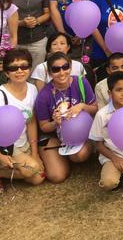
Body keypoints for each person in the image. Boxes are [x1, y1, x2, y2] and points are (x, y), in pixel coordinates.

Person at [0, 48, 45, 195]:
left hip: (25, 143)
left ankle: (6, 171)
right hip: (8, 146)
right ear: (6, 72)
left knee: (37, 179)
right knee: (33, 170)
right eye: (14, 68)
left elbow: (31, 121)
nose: (20, 71)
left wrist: (35, 153)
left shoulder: (33, 89)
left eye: (24, 66)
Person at [33, 51, 98, 183]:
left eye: (65, 67)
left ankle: (70, 154)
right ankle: (57, 156)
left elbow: (95, 108)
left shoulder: (81, 82)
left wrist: (82, 106)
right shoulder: (44, 95)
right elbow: (44, 126)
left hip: (81, 132)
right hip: (54, 136)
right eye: (56, 69)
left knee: (79, 156)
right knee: (57, 176)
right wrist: (55, 122)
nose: (62, 72)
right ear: (49, 73)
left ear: (70, 67)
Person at [7, 0, 50, 69]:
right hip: (16, 42)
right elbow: (1, 17)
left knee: (36, 74)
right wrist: (21, 23)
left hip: (38, 40)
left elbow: (47, 13)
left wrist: (36, 21)